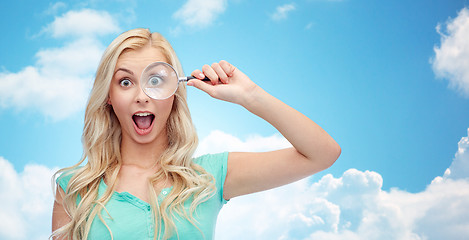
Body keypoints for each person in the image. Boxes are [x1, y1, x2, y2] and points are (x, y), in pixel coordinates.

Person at [51, 28, 341, 240]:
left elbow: (322, 154)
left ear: (175, 91)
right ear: (109, 97)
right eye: (125, 82)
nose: (142, 96)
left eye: (155, 80)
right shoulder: (76, 188)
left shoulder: (209, 177)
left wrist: (250, 95)